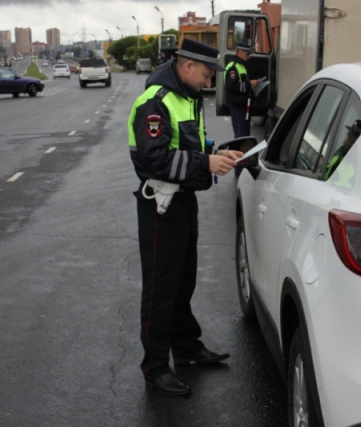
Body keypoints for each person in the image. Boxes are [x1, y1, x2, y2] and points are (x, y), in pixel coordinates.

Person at [128, 39, 243, 396]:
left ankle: (187, 348)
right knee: (161, 289)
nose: (209, 83)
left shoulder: (188, 97)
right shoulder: (156, 102)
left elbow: (189, 144)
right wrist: (204, 163)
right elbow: (154, 160)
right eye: (207, 75)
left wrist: (217, 153)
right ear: (188, 66)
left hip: (183, 202)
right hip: (161, 206)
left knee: (183, 282)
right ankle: (155, 366)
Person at [224, 42, 259, 139]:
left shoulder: (241, 65)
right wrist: (249, 84)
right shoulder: (233, 66)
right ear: (240, 52)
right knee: (240, 136)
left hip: (244, 106)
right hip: (238, 107)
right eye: (247, 54)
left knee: (245, 135)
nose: (249, 57)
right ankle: (239, 153)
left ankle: (244, 153)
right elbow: (231, 86)